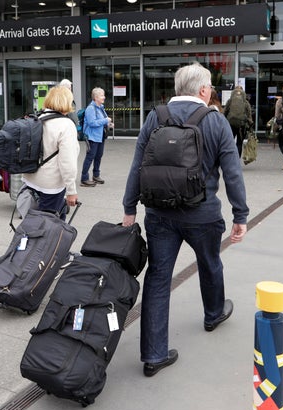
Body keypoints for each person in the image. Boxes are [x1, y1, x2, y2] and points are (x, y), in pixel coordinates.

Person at [121, 63, 249, 377]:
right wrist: (240, 214)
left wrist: (129, 208)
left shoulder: (156, 116)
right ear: (204, 90)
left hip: (159, 214)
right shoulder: (215, 121)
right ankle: (214, 313)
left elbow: (138, 164)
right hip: (202, 214)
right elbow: (232, 172)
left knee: (158, 278)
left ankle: (153, 355)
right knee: (210, 262)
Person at [21, 86, 80, 220]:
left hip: (31, 179)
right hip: (51, 186)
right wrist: (71, 191)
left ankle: (26, 240)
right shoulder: (66, 125)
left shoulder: (37, 118)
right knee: (48, 228)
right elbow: (67, 162)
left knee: (34, 222)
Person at [80, 87, 113, 187]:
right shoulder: (91, 108)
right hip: (92, 137)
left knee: (98, 156)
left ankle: (96, 175)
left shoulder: (101, 107)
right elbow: (92, 123)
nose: (104, 97)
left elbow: (103, 121)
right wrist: (105, 120)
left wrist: (109, 124)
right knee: (90, 157)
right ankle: (84, 178)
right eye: (102, 95)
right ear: (96, 97)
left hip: (100, 136)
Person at [223, 85, 253, 158]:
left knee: (230, 142)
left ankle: (229, 158)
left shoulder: (230, 101)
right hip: (241, 125)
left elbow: (225, 112)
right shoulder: (245, 102)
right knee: (239, 143)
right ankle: (237, 160)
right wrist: (250, 124)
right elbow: (249, 114)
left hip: (231, 124)